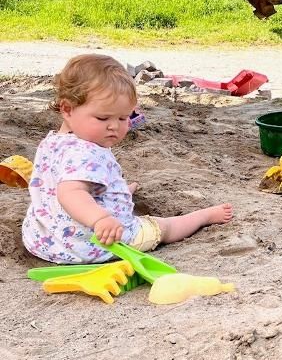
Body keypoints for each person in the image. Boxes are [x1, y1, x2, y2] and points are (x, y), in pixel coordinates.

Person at [22, 54, 233, 264]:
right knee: (163, 227)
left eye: (124, 118)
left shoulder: (54, 142)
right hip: (91, 244)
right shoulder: (85, 152)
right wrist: (101, 219)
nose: (114, 126)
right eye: (103, 118)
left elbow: (61, 184)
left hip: (45, 239)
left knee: (102, 193)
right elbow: (70, 193)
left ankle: (116, 196)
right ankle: (204, 217)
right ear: (67, 109)